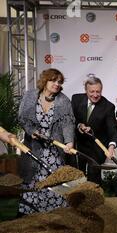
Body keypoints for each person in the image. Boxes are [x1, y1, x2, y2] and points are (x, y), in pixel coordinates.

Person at [18, 68, 75, 215]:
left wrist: (69, 142)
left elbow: (68, 123)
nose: (56, 84)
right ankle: (30, 215)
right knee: (32, 181)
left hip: (54, 152)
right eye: (53, 80)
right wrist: (32, 132)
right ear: (45, 80)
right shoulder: (30, 96)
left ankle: (56, 215)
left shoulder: (63, 100)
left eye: (59, 82)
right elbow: (22, 118)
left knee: (55, 182)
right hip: (33, 149)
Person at [71, 77, 117, 184]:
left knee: (94, 176)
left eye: (98, 91)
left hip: (97, 147)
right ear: (86, 90)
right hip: (79, 144)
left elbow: (112, 128)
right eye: (92, 91)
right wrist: (79, 125)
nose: (95, 95)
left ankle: (94, 196)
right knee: (78, 174)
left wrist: (111, 146)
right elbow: (71, 119)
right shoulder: (76, 99)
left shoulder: (108, 106)